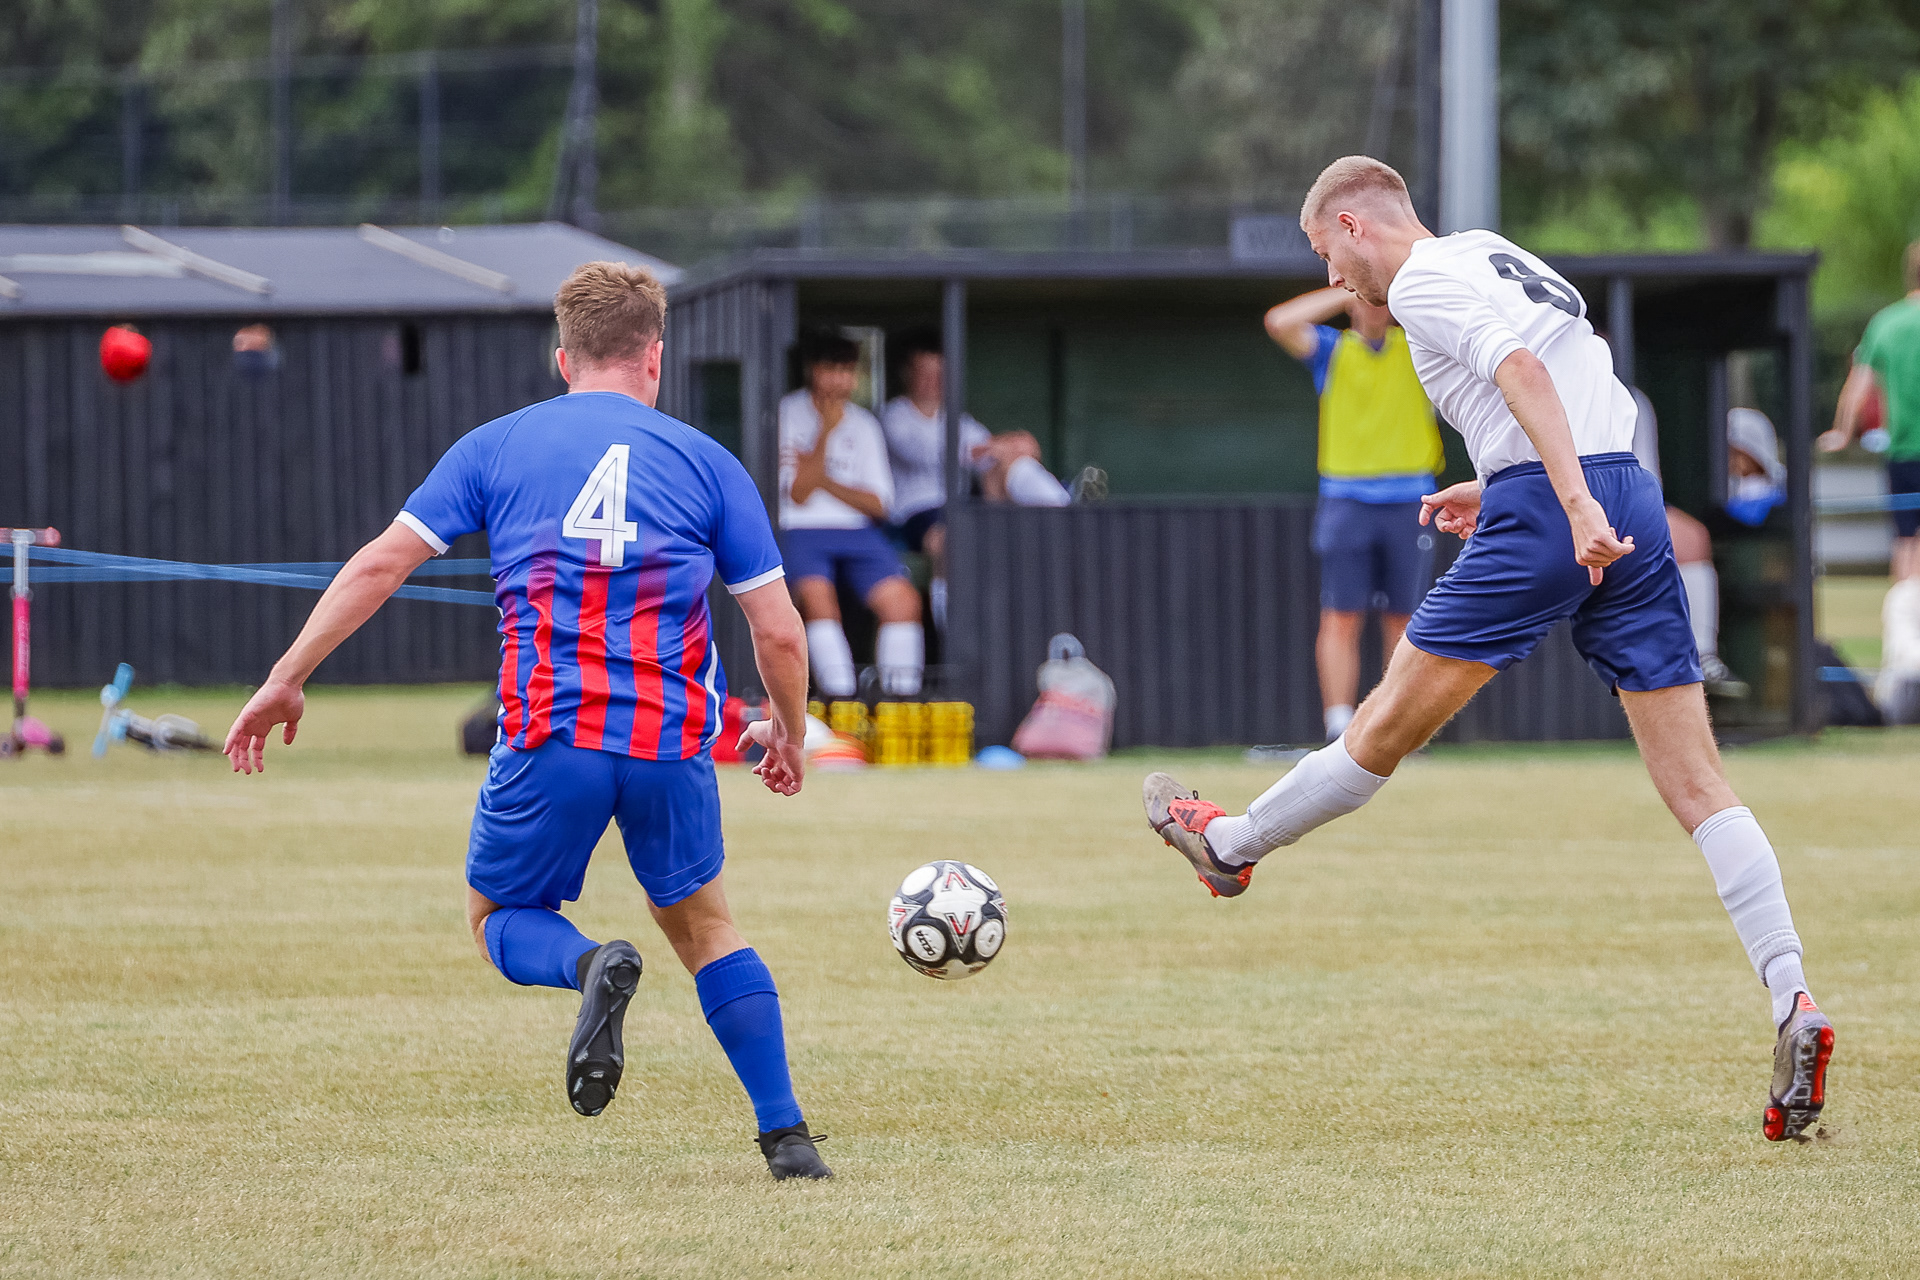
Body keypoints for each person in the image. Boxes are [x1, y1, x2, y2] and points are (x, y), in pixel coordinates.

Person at [1142, 156, 1833, 1142]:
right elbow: (1577, 375)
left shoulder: (1419, 279)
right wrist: (1505, 479)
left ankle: (1229, 847)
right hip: (1624, 494)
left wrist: (1561, 501)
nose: (1333, 278)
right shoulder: (1490, 251)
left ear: (1354, 223)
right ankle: (1793, 996)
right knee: (1699, 783)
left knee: (1380, 730)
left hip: (1566, 505)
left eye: (1326, 253)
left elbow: (1524, 372)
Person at [221, 262, 833, 1181]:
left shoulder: (496, 445)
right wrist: (788, 729)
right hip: (669, 743)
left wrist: (286, 677)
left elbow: (380, 566)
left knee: (498, 915)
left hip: (553, 735)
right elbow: (778, 631)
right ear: (655, 358)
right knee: (707, 927)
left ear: (562, 358)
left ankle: (589, 966)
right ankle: (787, 1139)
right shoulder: (709, 462)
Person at [1264, 286, 1446, 740]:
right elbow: (1279, 322)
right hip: (1346, 499)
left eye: (1379, 298)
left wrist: (1391, 290)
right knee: (1341, 615)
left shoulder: (1419, 349)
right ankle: (1339, 728)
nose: (1373, 307)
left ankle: (1396, 726)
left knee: (1405, 618)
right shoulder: (1332, 350)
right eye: (1365, 299)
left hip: (1411, 498)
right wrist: (1347, 288)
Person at [881, 333, 1070, 630]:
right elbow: (927, 452)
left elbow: (998, 454)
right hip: (918, 512)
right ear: (907, 374)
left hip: (963, 506)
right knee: (951, 540)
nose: (933, 382)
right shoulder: (895, 415)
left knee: (1009, 465)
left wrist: (1008, 448)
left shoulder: (957, 418)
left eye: (939, 374)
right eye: (925, 373)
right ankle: (951, 630)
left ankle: (1063, 509)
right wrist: (1000, 445)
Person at [780, 332, 924, 697]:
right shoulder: (787, 413)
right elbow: (798, 494)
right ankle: (843, 701)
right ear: (812, 370)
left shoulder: (864, 423)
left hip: (858, 531)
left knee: (903, 601)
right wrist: (826, 431)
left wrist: (822, 478)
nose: (839, 380)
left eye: (846, 371)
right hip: (801, 527)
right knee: (817, 599)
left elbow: (879, 505)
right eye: (830, 369)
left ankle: (899, 702)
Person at [1627, 390, 1750, 699]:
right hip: (1557, 505)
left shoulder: (1633, 399)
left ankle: (1702, 656)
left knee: (1692, 537)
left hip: (1622, 507)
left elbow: (1645, 479)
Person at [1820, 237, 1920, 584]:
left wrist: (1842, 433)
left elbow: (1859, 385)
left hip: (1904, 452)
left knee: (1905, 539)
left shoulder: (1885, 324)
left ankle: (1906, 613)